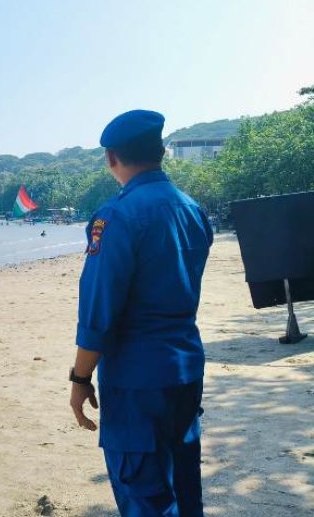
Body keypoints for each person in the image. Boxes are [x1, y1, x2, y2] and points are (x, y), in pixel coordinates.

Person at [69, 110, 212, 517]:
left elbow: (99, 310)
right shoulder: (192, 210)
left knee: (144, 494)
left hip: (137, 378)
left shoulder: (116, 216)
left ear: (111, 158)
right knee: (184, 485)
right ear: (162, 151)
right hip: (185, 367)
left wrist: (80, 378)